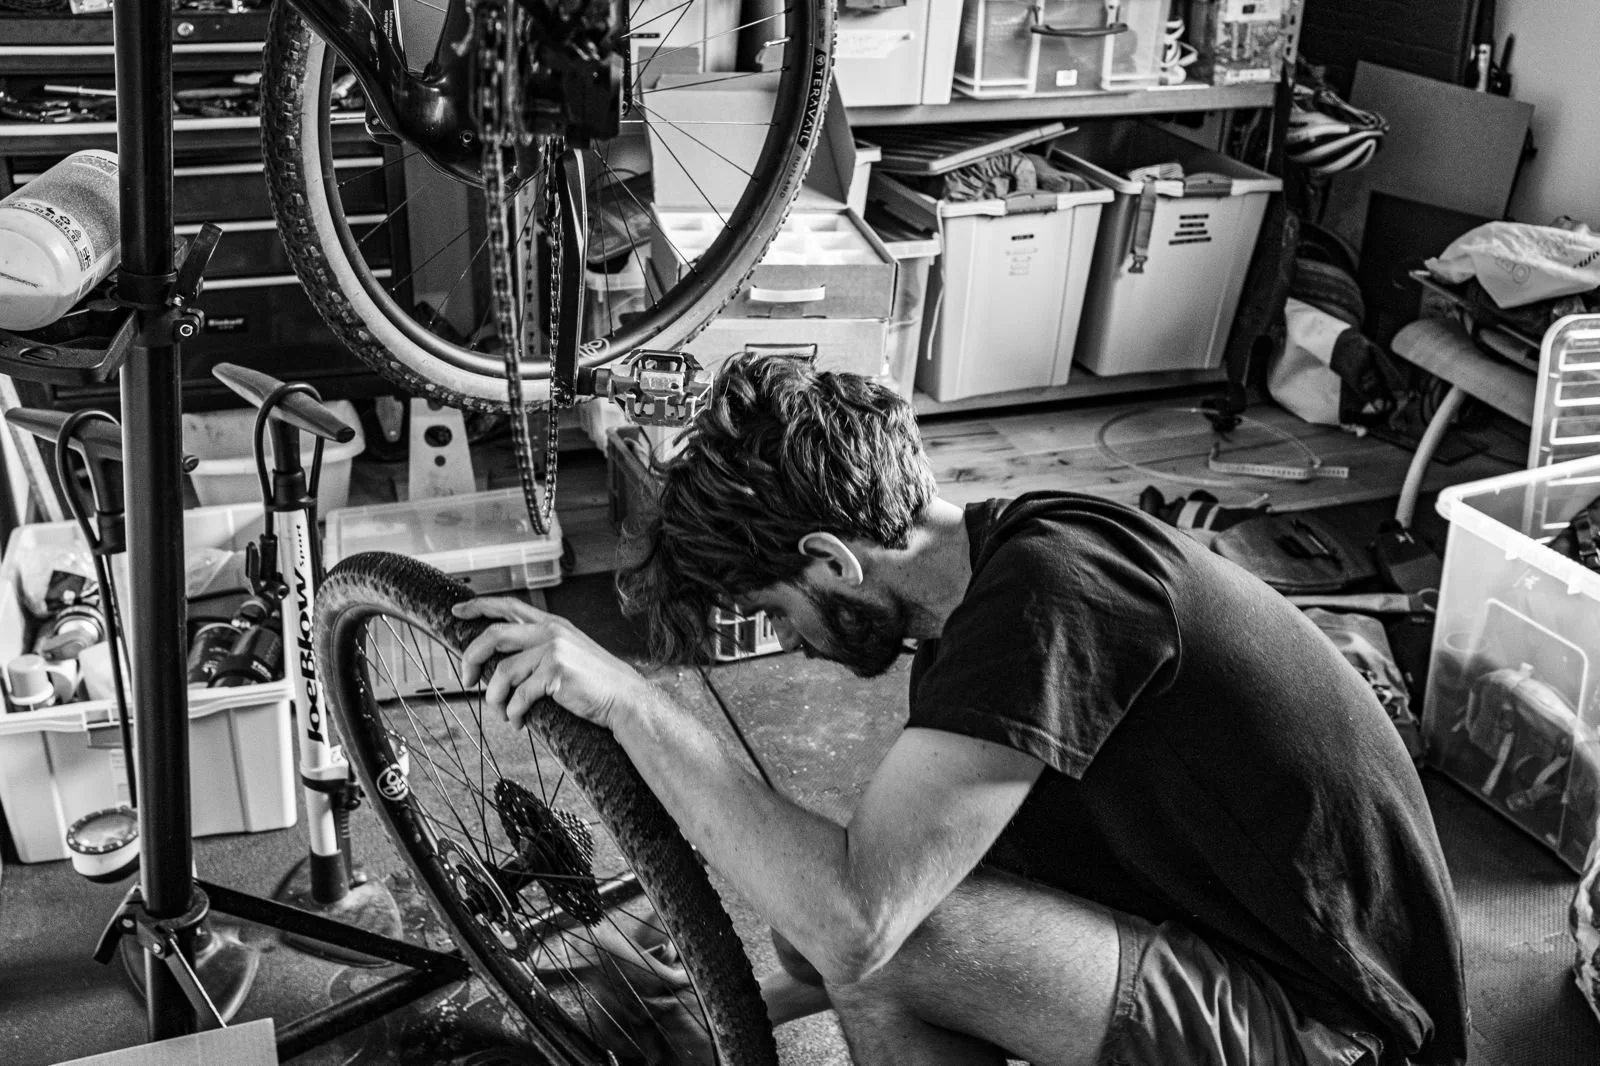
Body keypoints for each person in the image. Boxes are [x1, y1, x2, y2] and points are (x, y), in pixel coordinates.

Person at [453, 354, 1469, 1066]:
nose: (791, 642)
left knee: (881, 943)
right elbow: (859, 906)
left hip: (1337, 1030)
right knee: (854, 917)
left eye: (775, 611)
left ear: (831, 561)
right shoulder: (991, 587)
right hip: (1238, 949)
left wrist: (635, 702)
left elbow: (860, 926)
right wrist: (707, 1005)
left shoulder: (1051, 597)